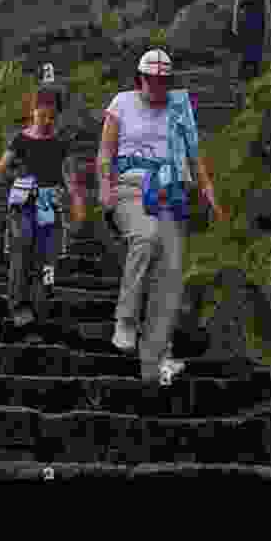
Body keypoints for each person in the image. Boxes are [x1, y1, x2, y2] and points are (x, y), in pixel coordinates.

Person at [96, 49, 227, 385]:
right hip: (131, 187)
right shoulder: (121, 103)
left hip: (170, 192)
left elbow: (195, 155)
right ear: (140, 78)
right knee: (146, 236)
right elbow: (105, 152)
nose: (156, 87)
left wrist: (208, 189)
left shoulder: (179, 107)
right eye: (150, 80)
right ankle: (125, 319)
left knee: (169, 277)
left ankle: (153, 368)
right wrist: (104, 186)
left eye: (162, 81)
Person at [0, 88, 87, 338]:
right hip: (23, 203)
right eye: (41, 116)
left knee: (47, 257)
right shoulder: (20, 141)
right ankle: (19, 306)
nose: (45, 122)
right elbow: (0, 170)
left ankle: (40, 304)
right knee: (22, 248)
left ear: (57, 116)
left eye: (51, 117)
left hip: (50, 205)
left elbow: (72, 180)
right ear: (33, 113)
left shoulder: (61, 145)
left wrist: (77, 205)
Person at [232, 0, 265, 81]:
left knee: (255, 46)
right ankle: (244, 73)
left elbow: (262, 4)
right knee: (245, 48)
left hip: (256, 17)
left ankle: (254, 72)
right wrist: (235, 23)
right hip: (246, 17)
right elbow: (237, 4)